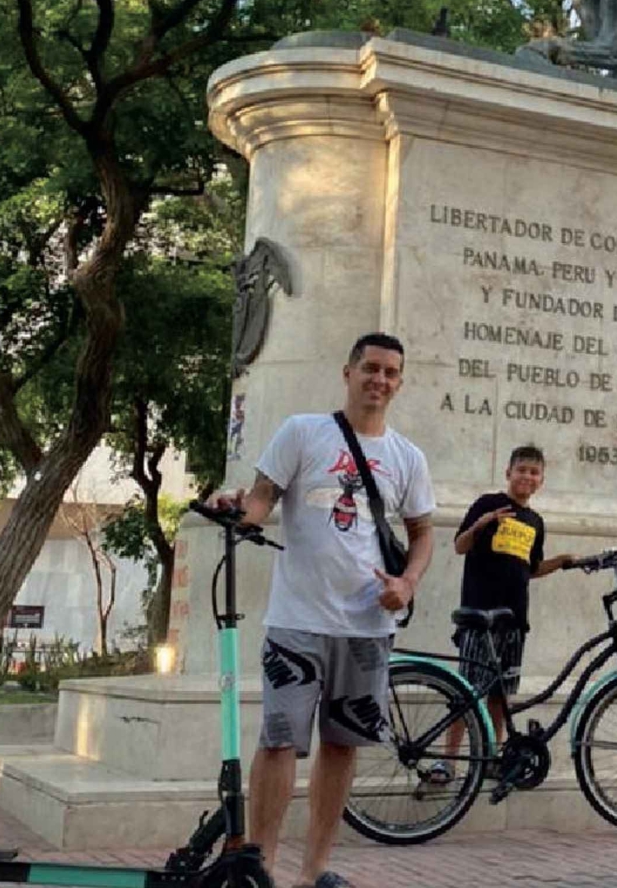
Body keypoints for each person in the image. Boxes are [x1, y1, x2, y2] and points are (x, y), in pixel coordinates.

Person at [227, 332, 436, 888]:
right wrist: (238, 513)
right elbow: (262, 498)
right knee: (277, 742)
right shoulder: (303, 432)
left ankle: (313, 869)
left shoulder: (406, 457)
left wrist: (408, 581)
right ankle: (261, 868)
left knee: (341, 745)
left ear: (400, 382)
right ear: (348, 373)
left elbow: (422, 533)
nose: (380, 380)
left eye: (391, 372)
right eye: (370, 368)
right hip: (297, 619)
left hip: (367, 624)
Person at [436, 444, 571, 774]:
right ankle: (448, 760)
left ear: (541, 480)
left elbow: (532, 567)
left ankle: (491, 757)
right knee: (467, 689)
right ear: (508, 473)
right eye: (521, 470)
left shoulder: (535, 521)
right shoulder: (488, 503)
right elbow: (459, 545)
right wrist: (481, 524)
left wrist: (562, 562)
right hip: (481, 615)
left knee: (500, 693)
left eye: (534, 472)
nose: (527, 476)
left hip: (514, 619)